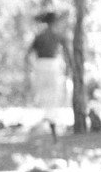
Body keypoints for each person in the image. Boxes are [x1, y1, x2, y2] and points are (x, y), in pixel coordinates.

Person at [26, 11, 70, 142]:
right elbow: (68, 54)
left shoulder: (39, 37)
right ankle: (51, 126)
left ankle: (50, 125)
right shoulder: (57, 36)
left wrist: (31, 69)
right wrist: (69, 68)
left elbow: (27, 55)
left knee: (43, 97)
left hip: (40, 66)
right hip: (52, 66)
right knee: (53, 97)